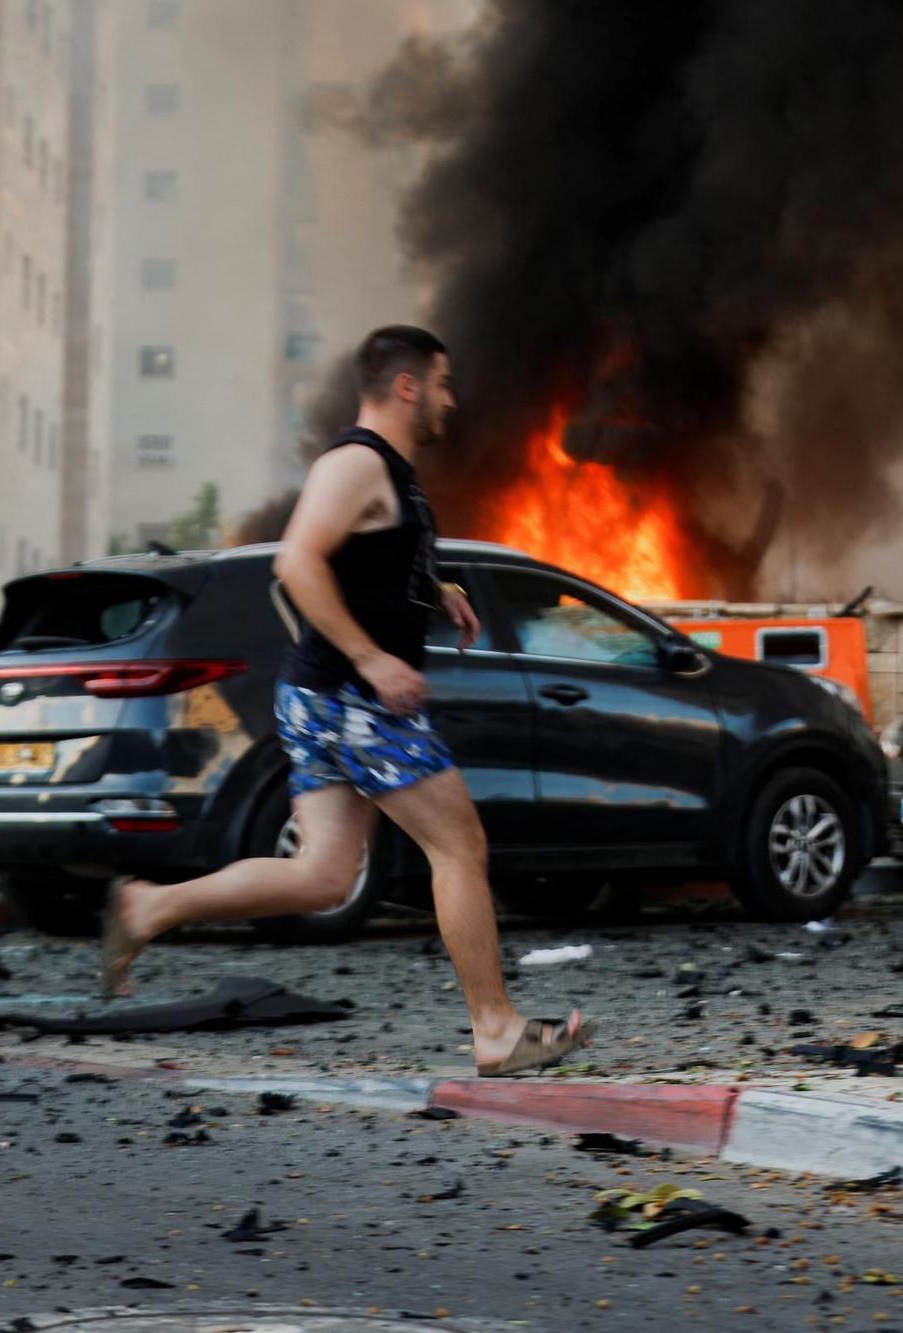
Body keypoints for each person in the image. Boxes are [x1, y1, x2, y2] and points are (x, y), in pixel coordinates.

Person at [100, 325, 595, 1077]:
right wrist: (372, 658)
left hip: (323, 696)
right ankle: (495, 1027)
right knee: (459, 846)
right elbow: (299, 560)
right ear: (407, 386)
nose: (450, 400)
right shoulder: (359, 460)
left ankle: (149, 908)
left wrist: (437, 588)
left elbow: (369, 557)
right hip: (355, 695)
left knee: (324, 876)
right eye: (443, 382)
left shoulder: (385, 472)